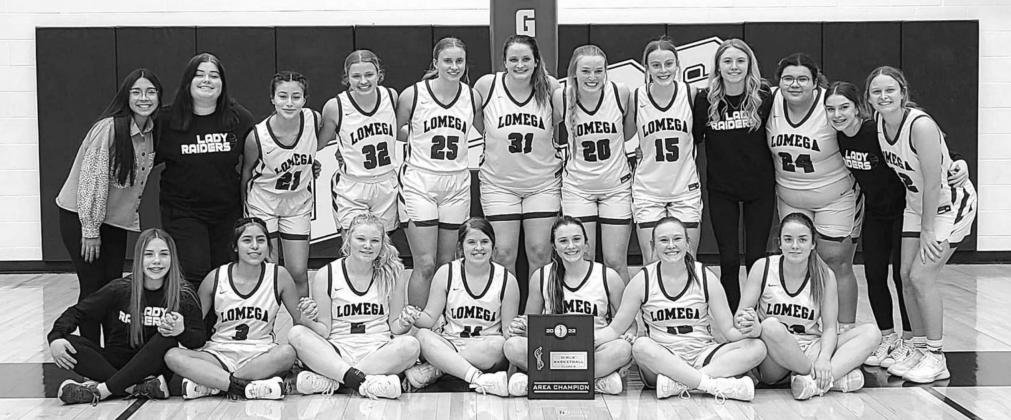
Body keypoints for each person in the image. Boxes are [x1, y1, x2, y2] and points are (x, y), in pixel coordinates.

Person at [823, 81, 969, 366]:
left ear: (858, 108)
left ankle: (910, 339)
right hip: (876, 214)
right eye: (831, 109)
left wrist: (960, 162)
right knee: (874, 274)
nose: (838, 115)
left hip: (904, 210)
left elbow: (932, 151)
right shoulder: (839, 138)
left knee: (903, 277)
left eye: (844, 108)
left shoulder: (873, 130)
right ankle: (887, 338)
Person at [867, 66, 977, 383]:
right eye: (877, 91)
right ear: (870, 97)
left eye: (890, 90)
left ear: (903, 92)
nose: (884, 96)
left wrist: (928, 230)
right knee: (904, 275)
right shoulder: (878, 122)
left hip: (947, 204)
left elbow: (932, 181)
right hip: (917, 205)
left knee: (921, 275)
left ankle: (936, 356)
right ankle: (916, 347)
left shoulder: (920, 125)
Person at [596, 217, 765, 401]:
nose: (671, 245)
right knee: (640, 346)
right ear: (653, 245)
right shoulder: (642, 280)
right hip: (663, 358)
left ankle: (681, 384)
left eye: (677, 239)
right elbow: (615, 329)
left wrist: (754, 330)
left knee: (757, 347)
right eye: (663, 240)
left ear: (687, 242)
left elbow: (729, 331)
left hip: (702, 354)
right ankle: (710, 385)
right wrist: (585, 340)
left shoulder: (705, 276)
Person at [56, 68, 163, 342]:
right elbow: (91, 181)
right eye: (136, 92)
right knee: (92, 287)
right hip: (81, 216)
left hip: (114, 220)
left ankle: (113, 348)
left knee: (113, 286)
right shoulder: (109, 129)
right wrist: (89, 229)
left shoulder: (151, 130)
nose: (144, 98)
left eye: (150, 92)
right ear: (126, 96)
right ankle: (89, 350)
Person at [49, 228, 205, 405]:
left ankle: (101, 391)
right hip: (116, 363)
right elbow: (77, 312)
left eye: (163, 254)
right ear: (139, 258)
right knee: (69, 344)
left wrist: (182, 330)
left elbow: (199, 340)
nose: (156, 261)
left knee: (167, 338)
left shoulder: (183, 293)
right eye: (149, 254)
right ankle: (138, 388)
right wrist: (55, 338)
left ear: (172, 258)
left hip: (154, 368)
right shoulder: (120, 288)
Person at [737, 212, 880, 400]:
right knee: (770, 326)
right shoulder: (763, 268)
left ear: (813, 244)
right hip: (774, 357)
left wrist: (824, 359)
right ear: (779, 243)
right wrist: (751, 326)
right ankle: (827, 378)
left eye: (802, 240)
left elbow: (829, 328)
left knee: (871, 332)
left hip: (810, 346)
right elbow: (740, 317)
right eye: (788, 239)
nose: (795, 246)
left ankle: (812, 384)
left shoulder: (825, 275)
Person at [766, 53, 860, 327]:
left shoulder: (830, 104)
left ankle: (844, 330)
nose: (795, 85)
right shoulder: (769, 101)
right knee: (795, 261)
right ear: (779, 81)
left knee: (836, 262)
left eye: (803, 79)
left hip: (834, 195)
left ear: (815, 80)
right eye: (788, 79)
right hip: (790, 197)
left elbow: (867, 129)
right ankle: (802, 325)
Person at [164, 217, 302, 400]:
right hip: (218, 353)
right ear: (235, 247)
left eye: (261, 240)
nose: (255, 246)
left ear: (268, 246)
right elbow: (194, 326)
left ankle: (217, 384)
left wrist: (310, 310)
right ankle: (246, 386)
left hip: (260, 354)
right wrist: (178, 325)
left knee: (287, 353)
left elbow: (300, 320)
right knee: (172, 355)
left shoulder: (279, 275)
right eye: (247, 240)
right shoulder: (215, 277)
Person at [286, 214, 419, 399]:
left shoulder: (392, 273)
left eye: (375, 240)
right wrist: (307, 319)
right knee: (296, 333)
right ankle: (366, 382)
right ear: (348, 240)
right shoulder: (327, 274)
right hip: (338, 349)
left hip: (377, 350)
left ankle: (335, 380)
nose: (367, 245)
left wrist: (405, 321)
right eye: (361, 239)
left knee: (411, 345)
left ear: (382, 244)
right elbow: (324, 331)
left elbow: (396, 327)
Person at [395, 37, 484, 306]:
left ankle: (443, 323)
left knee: (448, 263)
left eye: (459, 61)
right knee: (425, 263)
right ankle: (416, 326)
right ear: (436, 63)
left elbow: (487, 132)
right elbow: (392, 131)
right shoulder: (414, 94)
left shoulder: (472, 96)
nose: (454, 66)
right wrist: (418, 138)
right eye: (447, 60)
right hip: (419, 181)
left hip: (456, 182)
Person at [502, 216, 630, 396]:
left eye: (576, 239)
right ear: (554, 246)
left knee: (623, 349)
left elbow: (629, 323)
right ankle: (593, 381)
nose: (571, 246)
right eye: (563, 241)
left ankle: (538, 381)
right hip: (551, 349)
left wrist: (628, 335)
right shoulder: (541, 276)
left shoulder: (607, 276)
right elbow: (530, 322)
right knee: (512, 346)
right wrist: (520, 327)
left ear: (586, 243)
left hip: (593, 349)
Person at [157, 52, 255, 286]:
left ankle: (219, 324)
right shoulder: (166, 120)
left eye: (214, 75)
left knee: (224, 274)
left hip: (226, 211)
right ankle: (194, 323)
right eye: (199, 75)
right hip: (183, 211)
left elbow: (264, 160)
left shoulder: (239, 118)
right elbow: (141, 161)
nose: (207, 80)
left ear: (222, 83)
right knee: (194, 271)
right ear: (188, 81)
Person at [692, 39, 775, 312]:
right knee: (728, 260)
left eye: (740, 60)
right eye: (727, 61)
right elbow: (692, 140)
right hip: (722, 190)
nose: (734, 66)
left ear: (749, 63)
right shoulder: (706, 99)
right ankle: (733, 318)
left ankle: (756, 314)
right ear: (717, 66)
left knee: (755, 259)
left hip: (759, 189)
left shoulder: (764, 96)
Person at [401, 218, 521, 397]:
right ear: (461, 247)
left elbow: (506, 331)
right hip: (450, 342)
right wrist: (412, 315)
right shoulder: (447, 273)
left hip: (484, 347)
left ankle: (438, 368)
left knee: (500, 344)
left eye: (484, 242)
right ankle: (474, 376)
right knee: (422, 336)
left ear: (493, 246)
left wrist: (517, 329)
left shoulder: (506, 280)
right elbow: (429, 318)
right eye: (471, 242)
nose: (478, 248)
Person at [474, 34, 561, 278]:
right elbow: (479, 123)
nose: (520, 65)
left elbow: (561, 122)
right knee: (502, 254)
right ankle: (508, 315)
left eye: (526, 59)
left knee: (541, 252)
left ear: (536, 61)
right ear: (504, 62)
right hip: (499, 185)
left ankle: (538, 315)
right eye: (513, 59)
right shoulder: (487, 86)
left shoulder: (551, 87)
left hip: (542, 184)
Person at [553, 44, 633, 283]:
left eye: (599, 71)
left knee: (615, 261)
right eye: (586, 71)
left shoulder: (620, 92)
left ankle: (624, 318)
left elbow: (627, 134)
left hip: (615, 187)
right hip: (578, 188)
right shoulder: (562, 95)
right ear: (574, 72)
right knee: (581, 259)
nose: (592, 77)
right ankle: (585, 318)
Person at [241, 71, 319, 298]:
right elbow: (246, 173)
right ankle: (267, 329)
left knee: (298, 272)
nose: (289, 102)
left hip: (297, 203)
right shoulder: (258, 136)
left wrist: (313, 165)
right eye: (283, 96)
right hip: (264, 202)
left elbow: (318, 148)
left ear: (305, 99)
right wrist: (244, 210)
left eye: (296, 96)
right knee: (268, 271)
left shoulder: (314, 120)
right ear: (272, 99)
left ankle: (303, 327)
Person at [628, 37, 702, 262]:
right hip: (648, 189)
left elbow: (700, 136)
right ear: (647, 68)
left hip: (684, 189)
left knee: (687, 259)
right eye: (656, 65)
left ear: (677, 65)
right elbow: (625, 134)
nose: (663, 70)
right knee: (651, 260)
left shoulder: (691, 93)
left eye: (669, 64)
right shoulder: (637, 96)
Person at [321, 50, 400, 234]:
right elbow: (318, 144)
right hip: (352, 186)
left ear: (379, 74)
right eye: (356, 76)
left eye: (369, 74)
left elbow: (397, 132)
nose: (363, 81)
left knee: (382, 248)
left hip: (386, 182)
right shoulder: (335, 107)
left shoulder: (391, 96)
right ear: (347, 77)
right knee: (354, 247)